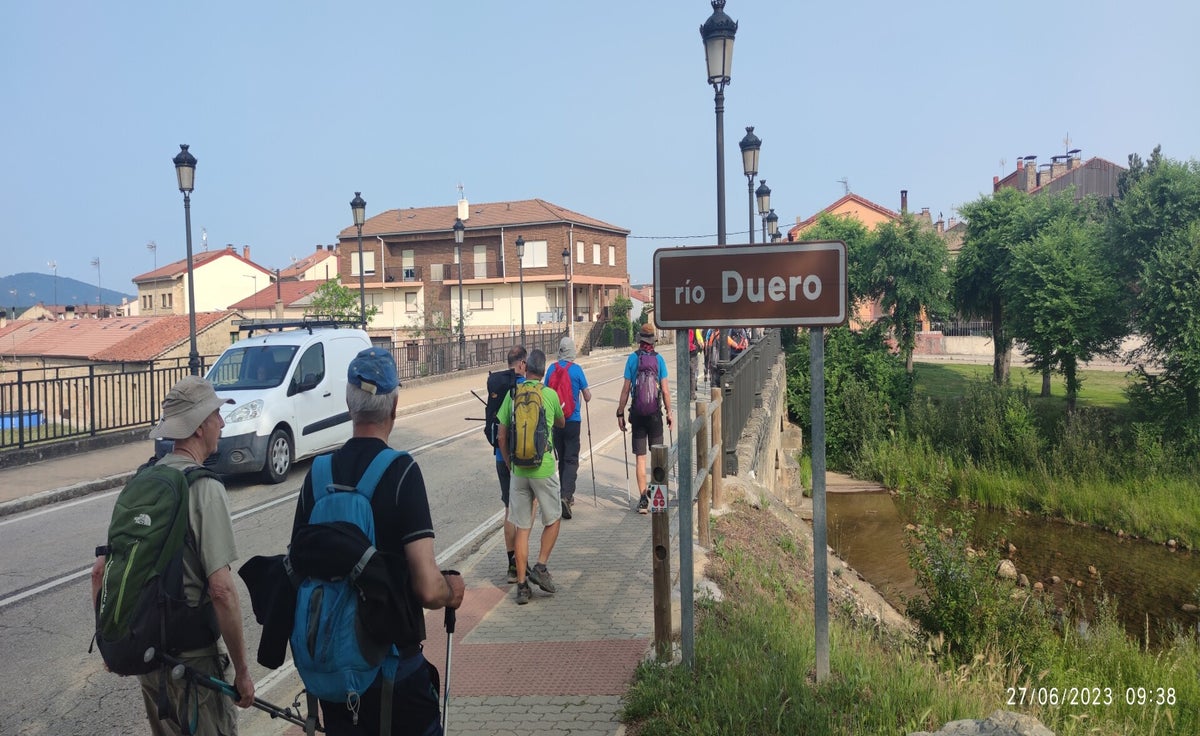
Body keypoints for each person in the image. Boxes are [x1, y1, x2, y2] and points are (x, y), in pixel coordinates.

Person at [291, 347, 465, 734]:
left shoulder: (317, 475)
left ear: (348, 403)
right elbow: (428, 588)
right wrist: (451, 591)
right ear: (395, 407)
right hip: (393, 672)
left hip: (335, 681)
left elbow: (297, 568)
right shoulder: (401, 472)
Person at [91, 375, 255, 735]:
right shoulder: (204, 486)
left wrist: (110, 640)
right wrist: (243, 671)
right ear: (198, 427)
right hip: (195, 667)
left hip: (148, 658)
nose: (222, 423)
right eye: (216, 415)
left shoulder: (142, 481)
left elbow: (101, 571)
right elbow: (221, 590)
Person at [496, 348, 566, 605]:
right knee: (554, 518)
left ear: (525, 368)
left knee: (522, 528)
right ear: (544, 371)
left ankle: (522, 586)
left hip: (518, 470)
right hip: (543, 467)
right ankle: (541, 566)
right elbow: (561, 423)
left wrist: (509, 463)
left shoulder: (512, 394)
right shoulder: (549, 394)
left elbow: (501, 436)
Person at [617, 324, 674, 514]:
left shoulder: (632, 359)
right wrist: (669, 413)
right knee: (658, 458)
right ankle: (658, 501)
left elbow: (626, 390)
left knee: (640, 458)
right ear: (653, 341)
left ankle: (643, 500)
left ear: (639, 340)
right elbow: (665, 391)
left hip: (638, 415)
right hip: (655, 415)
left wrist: (620, 413)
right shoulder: (659, 360)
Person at [488, 345, 526, 582]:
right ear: (522, 363)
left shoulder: (498, 385)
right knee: (523, 511)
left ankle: (511, 563)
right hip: (523, 459)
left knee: (509, 510)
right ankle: (522, 564)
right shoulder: (524, 386)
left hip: (500, 457)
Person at [543, 336, 591, 519]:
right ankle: (566, 495)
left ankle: (563, 494)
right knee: (571, 459)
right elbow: (587, 396)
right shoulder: (577, 370)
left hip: (556, 421)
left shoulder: (551, 369)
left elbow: (545, 392)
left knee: (562, 458)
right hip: (572, 421)